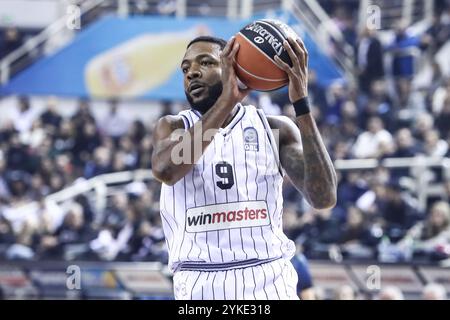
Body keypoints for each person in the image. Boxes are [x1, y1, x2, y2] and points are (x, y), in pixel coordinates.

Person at [151, 35, 337, 300]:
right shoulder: (174, 127)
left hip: (269, 279)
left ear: (234, 69)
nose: (192, 72)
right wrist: (226, 101)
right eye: (185, 68)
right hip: (200, 285)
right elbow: (166, 170)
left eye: (205, 62)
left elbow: (324, 198)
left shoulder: (275, 129)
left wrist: (302, 105)